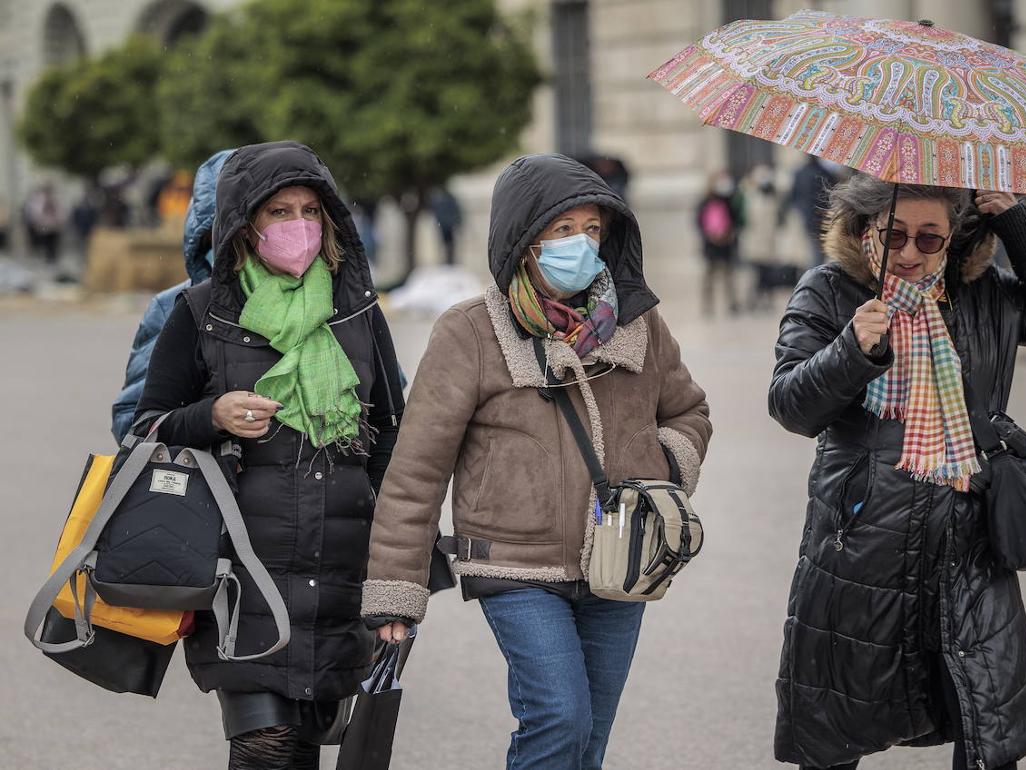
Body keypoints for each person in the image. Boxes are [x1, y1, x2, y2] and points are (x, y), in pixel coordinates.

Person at [363, 153, 712, 770]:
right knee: (559, 717)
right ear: (525, 241)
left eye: (593, 230)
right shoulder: (469, 331)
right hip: (514, 568)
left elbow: (689, 412)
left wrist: (657, 469)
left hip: (622, 566)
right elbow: (417, 469)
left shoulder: (638, 322)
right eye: (562, 230)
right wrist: (397, 591)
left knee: (589, 741)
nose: (582, 244)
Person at [134, 140, 451, 770]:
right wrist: (212, 414)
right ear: (245, 225)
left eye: (310, 210)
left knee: (306, 743)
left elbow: (393, 442)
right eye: (279, 211)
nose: (297, 225)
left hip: (341, 570)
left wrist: (401, 575)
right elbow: (145, 429)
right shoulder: (200, 314)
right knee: (264, 747)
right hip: (243, 570)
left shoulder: (356, 312)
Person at [768, 176, 1026, 770]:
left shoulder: (981, 294)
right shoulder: (831, 291)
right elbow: (790, 406)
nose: (910, 253)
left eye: (929, 239)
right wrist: (851, 350)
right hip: (862, 541)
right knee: (837, 722)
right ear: (865, 230)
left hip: (970, 537)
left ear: (953, 241)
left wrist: (1020, 221)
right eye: (893, 236)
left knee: (987, 723)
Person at [112, 149, 234, 443]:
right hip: (205, 484)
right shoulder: (176, 306)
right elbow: (132, 421)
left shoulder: (333, 308)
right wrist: (210, 416)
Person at [787, 155, 851, 268]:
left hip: (807, 217)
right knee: (819, 252)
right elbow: (834, 194)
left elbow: (793, 197)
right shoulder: (825, 173)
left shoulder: (800, 173)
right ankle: (815, 274)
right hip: (822, 217)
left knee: (813, 252)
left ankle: (812, 273)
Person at [696, 170, 745, 316]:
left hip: (726, 245)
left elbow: (737, 220)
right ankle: (707, 307)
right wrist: (709, 235)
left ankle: (732, 304)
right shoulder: (705, 201)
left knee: (729, 276)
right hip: (711, 246)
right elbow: (699, 222)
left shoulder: (730, 200)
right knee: (709, 277)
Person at [23, 183, 62, 266]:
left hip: (54, 226)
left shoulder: (54, 200)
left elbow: (59, 212)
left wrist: (58, 221)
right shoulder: (40, 200)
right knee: (45, 244)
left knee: (54, 244)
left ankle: (53, 259)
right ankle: (46, 259)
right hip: (44, 226)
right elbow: (36, 213)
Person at [428, 187, 463, 265]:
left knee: (448, 243)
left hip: (446, 225)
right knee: (447, 243)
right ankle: (448, 260)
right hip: (445, 225)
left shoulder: (441, 200)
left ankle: (449, 260)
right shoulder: (443, 200)